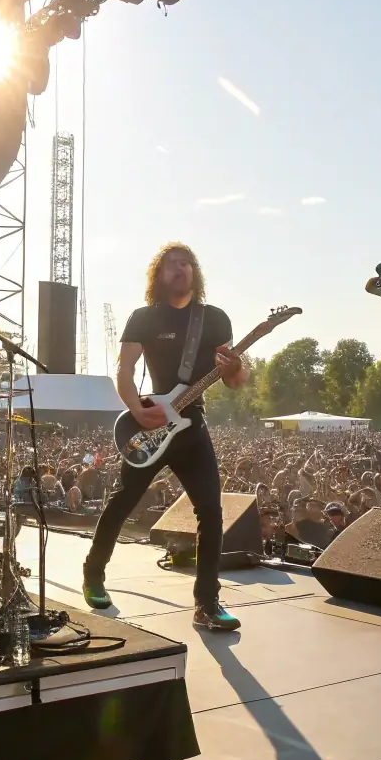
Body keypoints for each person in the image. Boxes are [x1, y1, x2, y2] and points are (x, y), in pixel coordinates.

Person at [81, 244, 247, 630]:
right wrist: (138, 411)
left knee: (211, 511)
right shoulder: (144, 318)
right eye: (172, 263)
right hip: (153, 424)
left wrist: (238, 367)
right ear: (158, 274)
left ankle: (207, 603)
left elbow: (236, 381)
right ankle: (94, 573)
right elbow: (125, 370)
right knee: (124, 501)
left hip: (193, 425)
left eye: (187, 263)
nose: (181, 268)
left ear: (196, 273)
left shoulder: (215, 319)